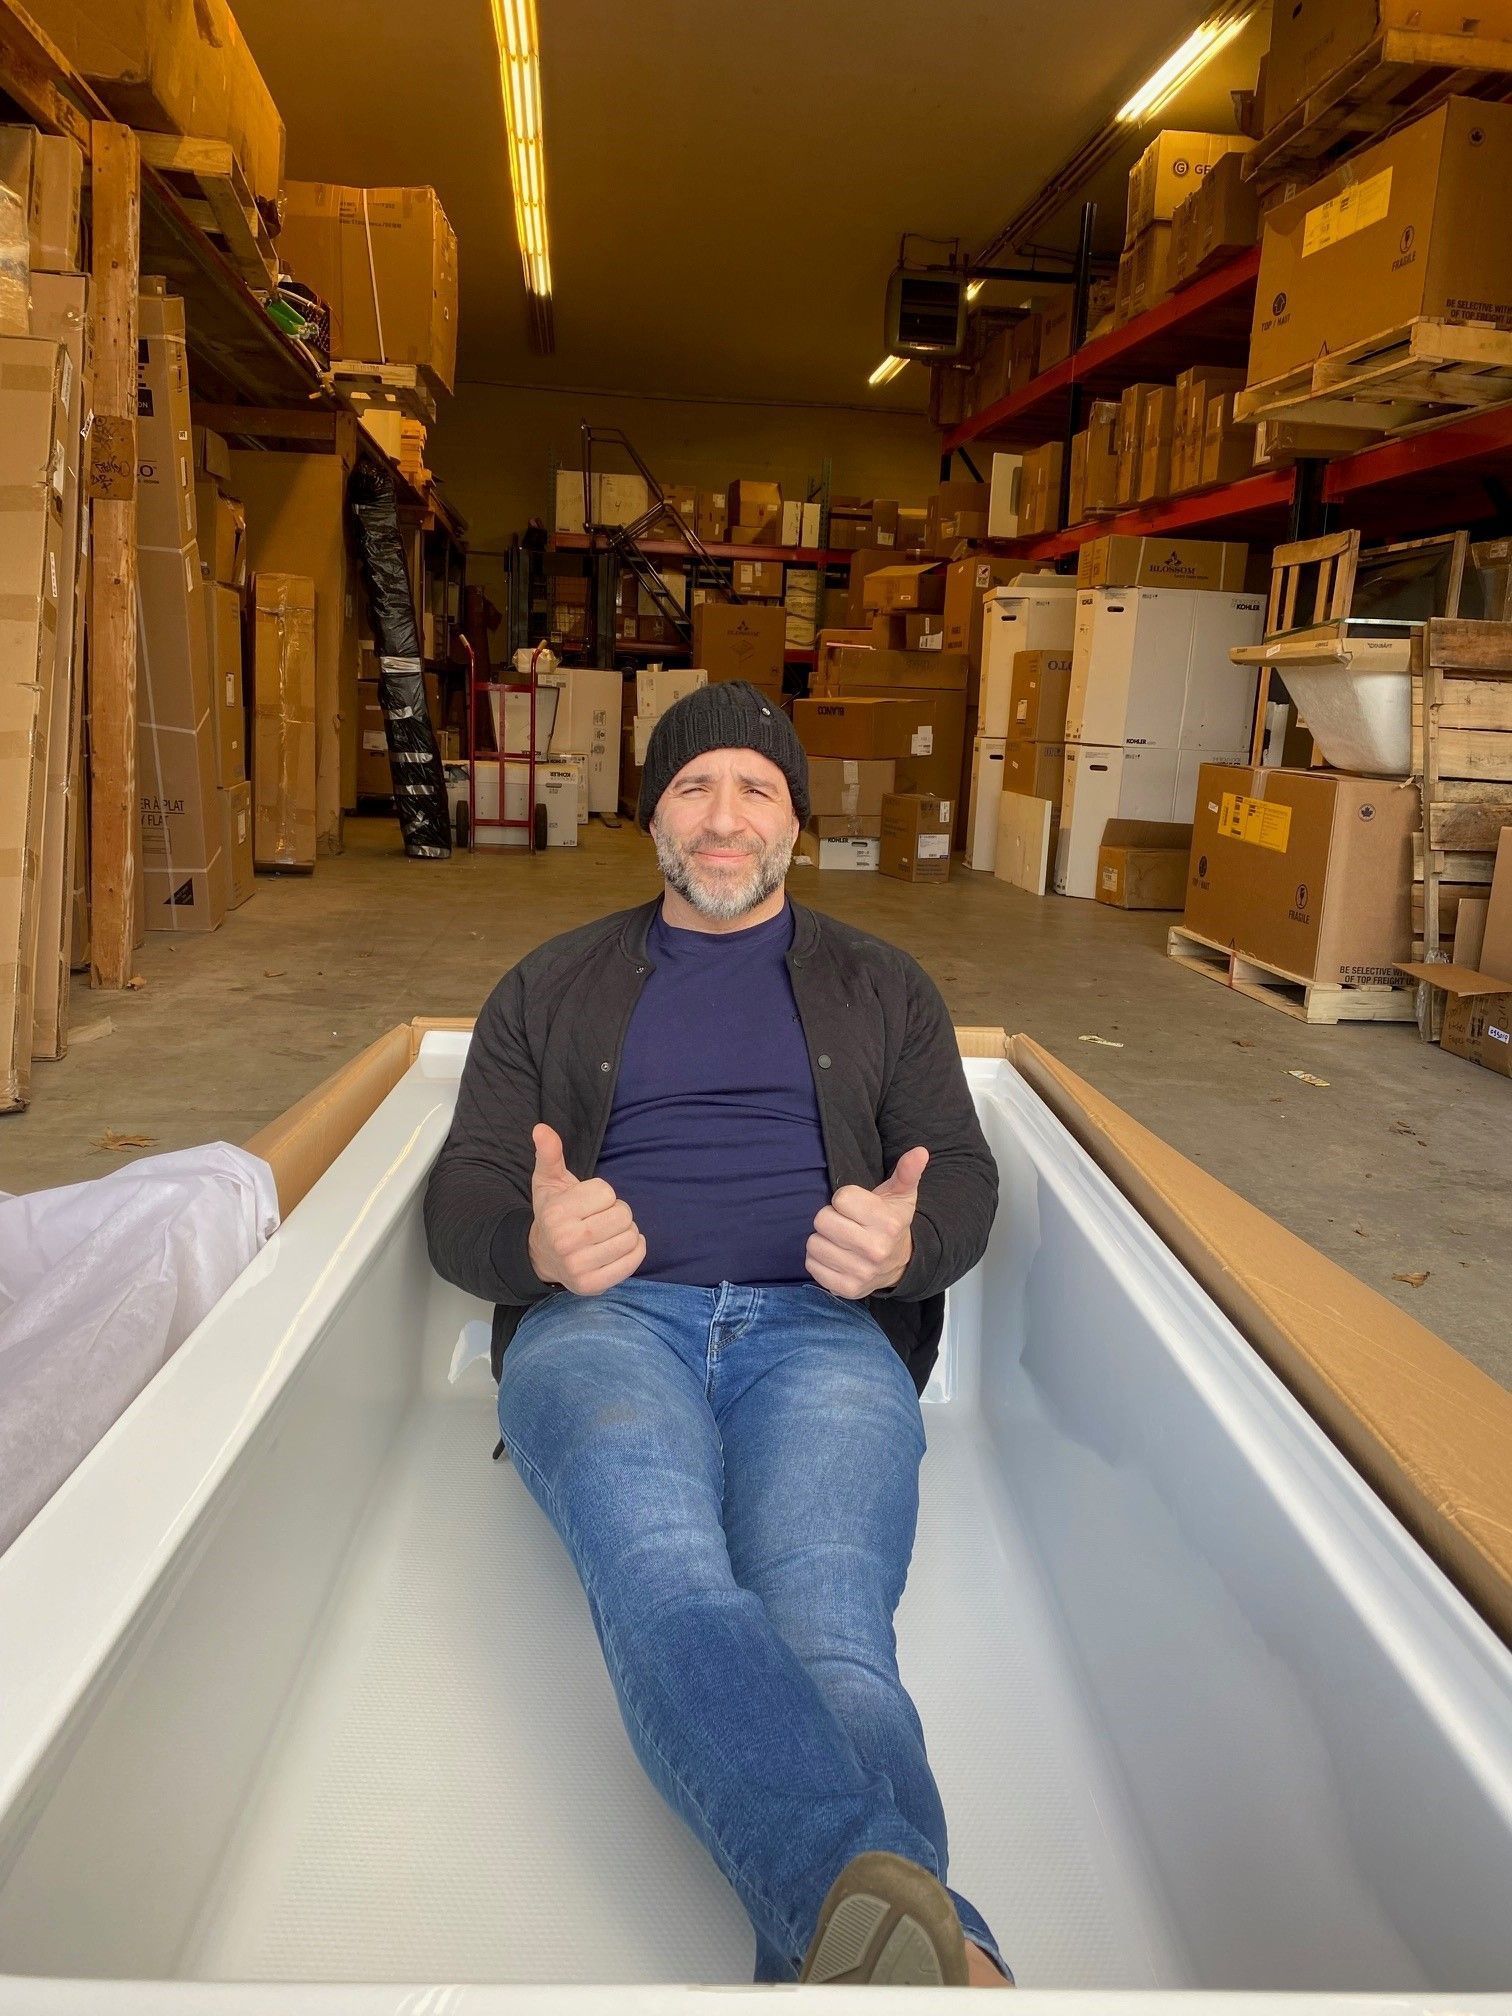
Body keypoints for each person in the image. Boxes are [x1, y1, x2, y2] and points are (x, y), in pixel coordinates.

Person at [425, 680, 1012, 1989]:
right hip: (602, 1328)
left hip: (823, 1336)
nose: (726, 817)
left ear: (796, 819)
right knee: (667, 1572)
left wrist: (906, 1247)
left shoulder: (886, 986)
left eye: (757, 788)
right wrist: (536, 1248)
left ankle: (898, 1965)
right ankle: (956, 1964)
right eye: (694, 787)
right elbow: (461, 1198)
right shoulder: (548, 985)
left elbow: (962, 1178)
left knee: (832, 1634)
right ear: (652, 818)